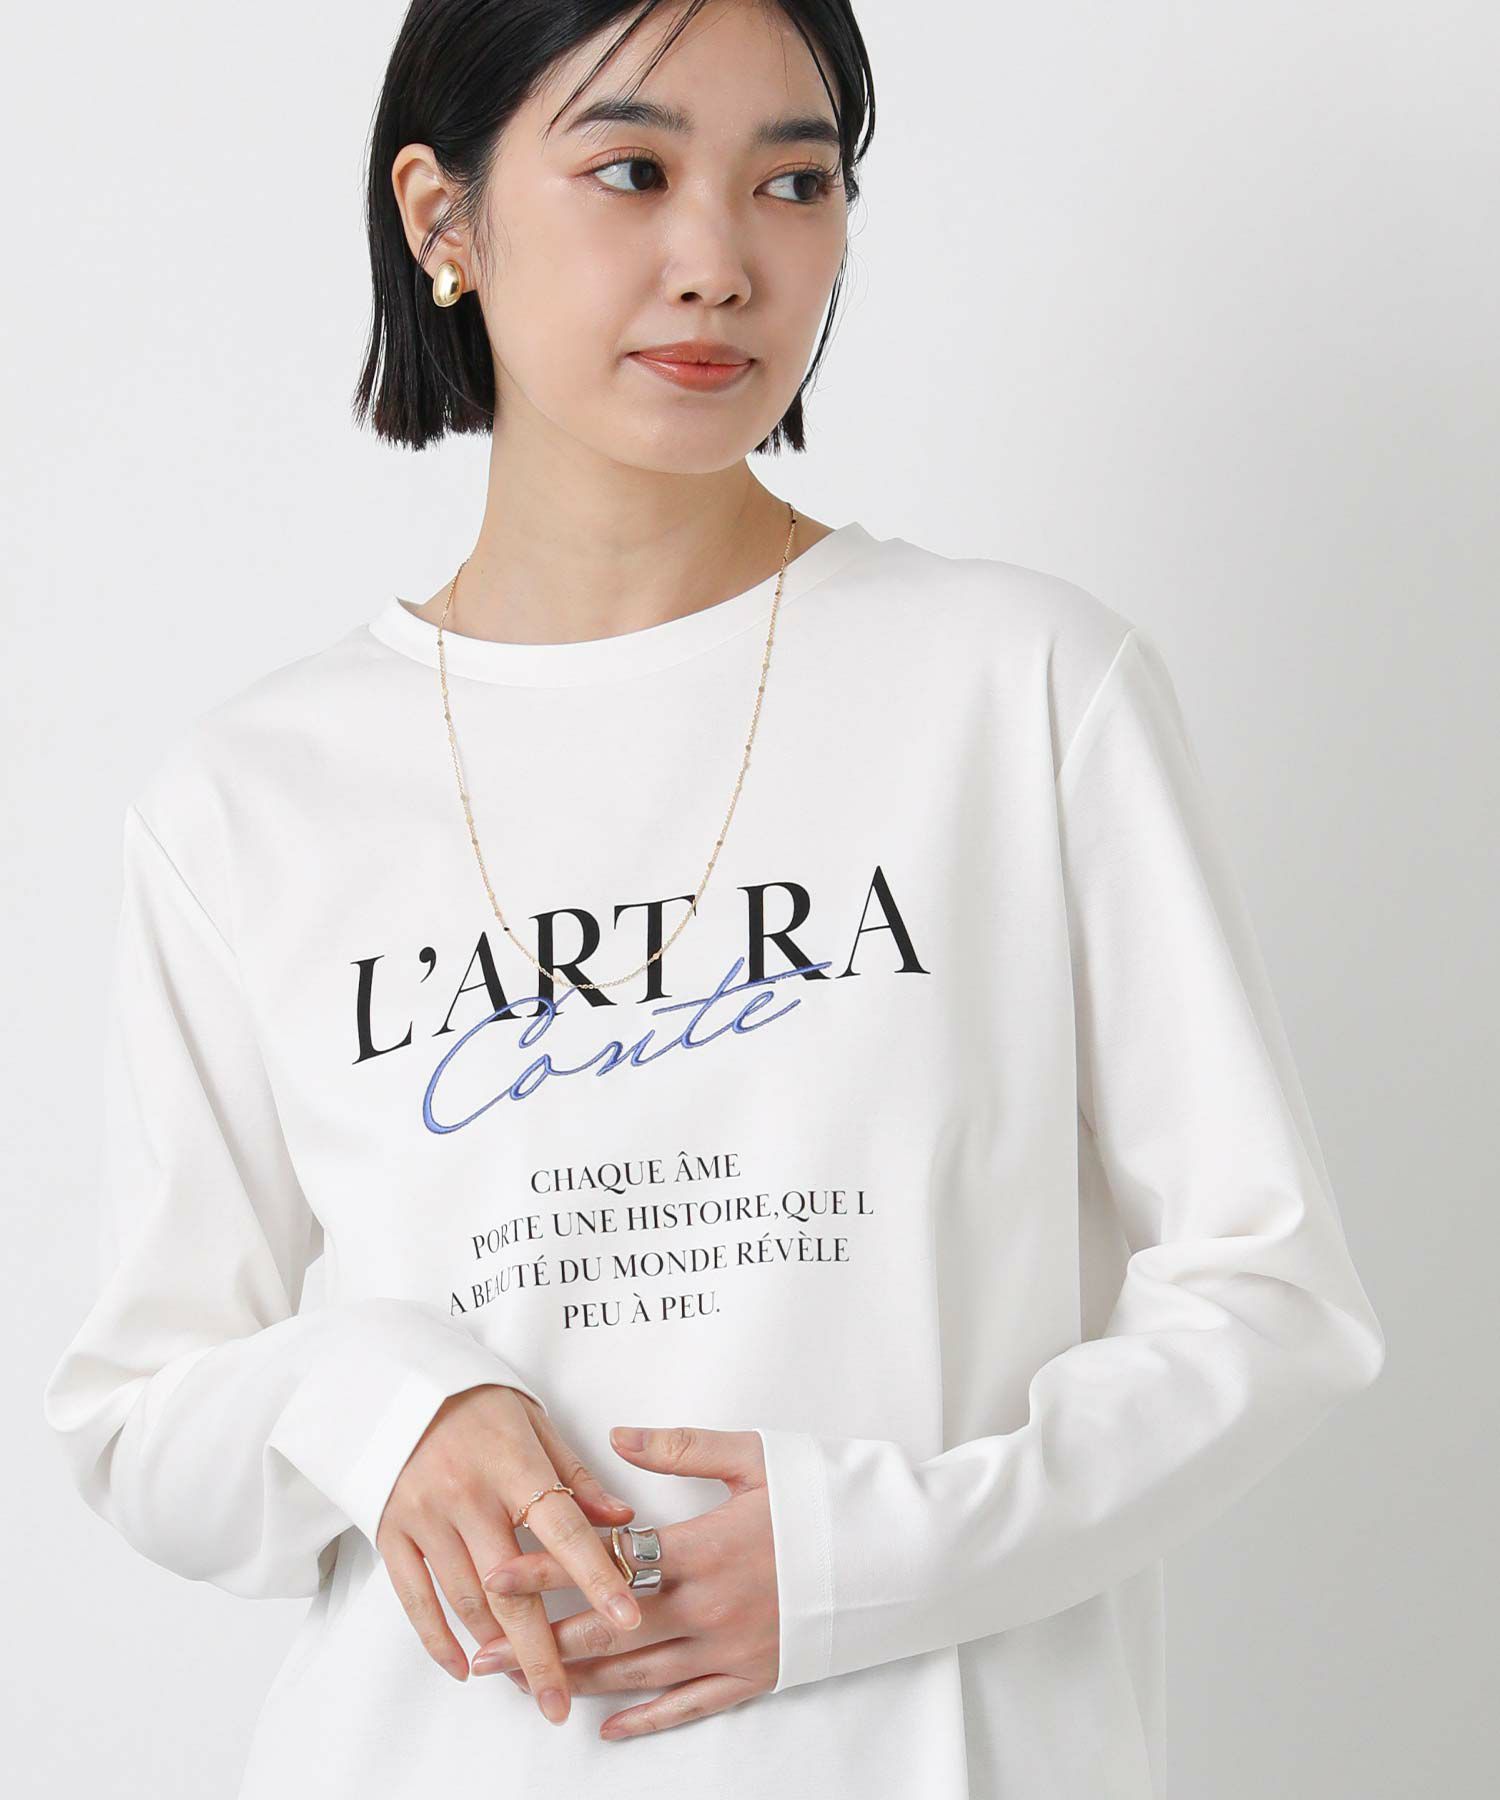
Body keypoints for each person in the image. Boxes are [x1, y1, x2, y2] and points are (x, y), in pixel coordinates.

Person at [41, 2, 1386, 1796]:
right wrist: (381, 1402)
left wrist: (863, 1561)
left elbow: (1273, 1300)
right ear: (443, 218)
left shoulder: (1023, 688)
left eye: (794, 182)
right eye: (632, 170)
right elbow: (140, 1419)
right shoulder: (254, 798)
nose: (721, 261)